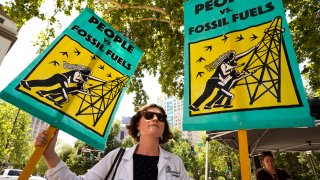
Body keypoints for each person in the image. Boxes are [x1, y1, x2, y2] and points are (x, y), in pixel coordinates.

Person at [35, 104, 190, 180]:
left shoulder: (176, 163)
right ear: (137, 124)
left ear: (164, 128)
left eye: (161, 117)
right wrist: (49, 154)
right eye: (149, 115)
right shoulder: (116, 157)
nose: (155, 118)